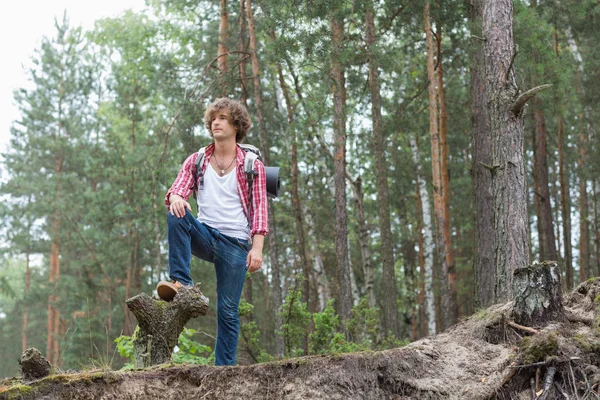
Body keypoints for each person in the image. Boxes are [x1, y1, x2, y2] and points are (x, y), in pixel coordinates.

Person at [156, 98, 269, 366]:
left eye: (223, 118)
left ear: (237, 125)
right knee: (176, 212)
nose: (216, 122)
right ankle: (180, 283)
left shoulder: (252, 165)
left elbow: (260, 209)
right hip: (205, 235)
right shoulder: (197, 160)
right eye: (213, 119)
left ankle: (224, 372)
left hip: (236, 245)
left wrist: (257, 248)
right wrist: (176, 198)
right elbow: (177, 189)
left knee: (228, 312)